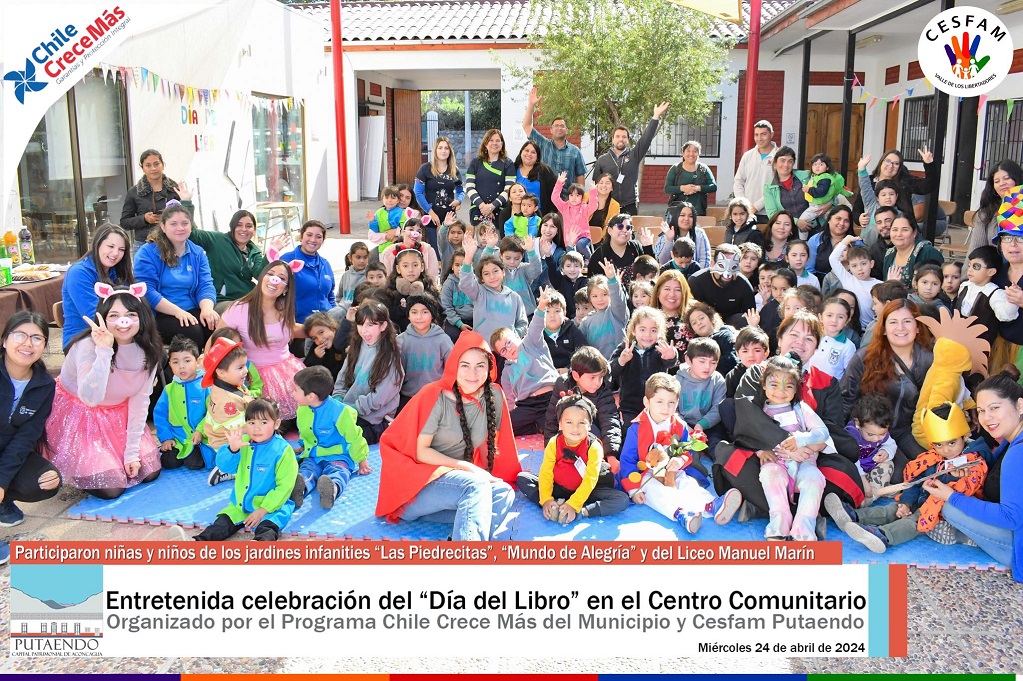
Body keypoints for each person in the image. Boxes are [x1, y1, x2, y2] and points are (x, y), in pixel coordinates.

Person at [718, 310, 867, 516]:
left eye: (809, 339)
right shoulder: (757, 373)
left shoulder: (826, 383)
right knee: (728, 454)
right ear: (779, 339)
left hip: (810, 457)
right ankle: (808, 512)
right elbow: (747, 411)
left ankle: (760, 506)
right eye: (794, 335)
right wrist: (786, 443)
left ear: (817, 347)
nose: (800, 343)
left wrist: (806, 444)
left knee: (843, 468)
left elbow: (831, 426)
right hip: (766, 451)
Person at [375, 332, 521, 540]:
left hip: (456, 490)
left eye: (480, 365)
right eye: (465, 365)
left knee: (503, 493)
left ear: (489, 368)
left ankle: (458, 541)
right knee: (476, 486)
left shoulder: (493, 394)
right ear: (454, 365)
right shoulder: (435, 395)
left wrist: (493, 477)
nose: (473, 373)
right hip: (417, 486)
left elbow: (494, 446)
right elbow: (421, 452)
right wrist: (466, 467)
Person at [45, 285, 163, 499]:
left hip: (119, 417)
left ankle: (117, 457)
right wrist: (104, 350)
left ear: (142, 317)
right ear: (103, 318)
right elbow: (91, 399)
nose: (122, 322)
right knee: (110, 488)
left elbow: (140, 401)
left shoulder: (149, 350)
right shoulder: (87, 346)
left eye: (130, 315)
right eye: (114, 315)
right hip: (82, 418)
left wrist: (131, 454)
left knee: (150, 471)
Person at [830, 401, 989, 554]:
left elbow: (961, 492)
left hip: (940, 511)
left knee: (913, 521)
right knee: (894, 508)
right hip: (921, 498)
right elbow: (915, 482)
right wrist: (906, 502)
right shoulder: (934, 456)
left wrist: (949, 478)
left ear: (965, 435)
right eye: (939, 444)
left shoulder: (973, 463)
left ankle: (883, 535)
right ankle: (856, 516)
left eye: (951, 443)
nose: (946, 450)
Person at [926, 372, 1023, 581]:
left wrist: (952, 496)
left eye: (995, 408)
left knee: (949, 506)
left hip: (1017, 547)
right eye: (981, 411)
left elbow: (1010, 518)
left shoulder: (1018, 452)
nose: (987, 417)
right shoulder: (1010, 440)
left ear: (1020, 406)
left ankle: (966, 535)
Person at [617, 373, 741, 533]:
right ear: (647, 402)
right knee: (655, 491)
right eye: (659, 402)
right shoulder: (636, 428)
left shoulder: (679, 425)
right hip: (645, 472)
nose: (665, 408)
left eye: (671, 403)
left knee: (686, 482)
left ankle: (712, 505)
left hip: (671, 470)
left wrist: (680, 461)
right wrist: (633, 490)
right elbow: (627, 460)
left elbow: (687, 448)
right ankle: (681, 513)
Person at [171, 399, 298, 542]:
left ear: (276, 424)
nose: (256, 429)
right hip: (241, 504)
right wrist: (232, 449)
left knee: (267, 528)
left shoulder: (283, 451)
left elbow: (284, 487)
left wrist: (263, 510)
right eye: (251, 423)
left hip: (272, 507)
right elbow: (225, 466)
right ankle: (195, 542)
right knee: (221, 523)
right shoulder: (242, 442)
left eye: (263, 423)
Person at [0, 312, 62, 565]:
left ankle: (4, 501)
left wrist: (2, 482)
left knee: (46, 481)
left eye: (37, 338)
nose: (28, 344)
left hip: (8, 449)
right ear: (4, 340)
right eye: (20, 336)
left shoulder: (44, 384)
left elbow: (26, 438)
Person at [842, 299, 933, 468]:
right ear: (883, 328)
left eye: (907, 321)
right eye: (893, 322)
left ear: (918, 327)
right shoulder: (865, 358)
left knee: (929, 466)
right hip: (869, 434)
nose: (900, 328)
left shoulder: (930, 360)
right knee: (898, 473)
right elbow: (845, 400)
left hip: (908, 431)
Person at [218, 261, 307, 420]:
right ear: (262, 277)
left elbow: (291, 329)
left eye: (281, 278)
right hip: (253, 376)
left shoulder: (284, 309)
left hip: (288, 373)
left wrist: (319, 330)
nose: (274, 280)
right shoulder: (239, 308)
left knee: (305, 417)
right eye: (270, 274)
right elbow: (217, 341)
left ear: (286, 288)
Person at [518, 394, 629, 523]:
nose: (575, 428)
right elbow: (546, 472)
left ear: (589, 425)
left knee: (622, 500)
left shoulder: (594, 447)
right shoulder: (554, 442)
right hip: (559, 487)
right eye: (569, 422)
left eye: (581, 423)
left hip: (588, 491)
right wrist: (546, 499)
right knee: (522, 478)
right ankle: (551, 505)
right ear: (560, 424)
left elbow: (590, 480)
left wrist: (574, 505)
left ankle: (582, 511)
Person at [756, 354, 830, 541]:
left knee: (815, 479)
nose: (780, 391)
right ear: (764, 384)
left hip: (804, 463)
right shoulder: (759, 412)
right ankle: (779, 523)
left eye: (788, 386)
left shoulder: (801, 409)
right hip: (777, 463)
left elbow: (822, 432)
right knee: (770, 475)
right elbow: (750, 437)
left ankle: (803, 528)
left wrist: (802, 439)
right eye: (774, 385)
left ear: (796, 388)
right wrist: (761, 452)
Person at [134, 202, 218, 347]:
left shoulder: (197, 253)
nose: (180, 228)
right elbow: (147, 291)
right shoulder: (148, 253)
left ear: (191, 226)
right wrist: (178, 312)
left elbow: (205, 285)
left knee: (216, 327)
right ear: (163, 227)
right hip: (160, 314)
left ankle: (211, 368)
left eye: (185, 223)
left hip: (191, 308)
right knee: (192, 332)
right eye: (173, 224)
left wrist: (207, 309)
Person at [292, 366, 370, 510]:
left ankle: (331, 489)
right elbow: (304, 431)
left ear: (311, 396)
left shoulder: (340, 412)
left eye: (295, 390)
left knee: (338, 471)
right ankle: (300, 488)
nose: (292, 394)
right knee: (307, 469)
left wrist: (361, 459)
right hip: (314, 455)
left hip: (339, 456)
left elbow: (354, 437)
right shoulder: (303, 410)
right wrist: (303, 446)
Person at [490, 292, 561, 435]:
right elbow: (509, 397)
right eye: (503, 350)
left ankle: (542, 425)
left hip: (549, 397)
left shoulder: (531, 343)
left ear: (517, 336)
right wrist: (512, 413)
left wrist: (541, 307)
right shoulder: (506, 371)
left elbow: (536, 326)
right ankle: (535, 426)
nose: (508, 349)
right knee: (504, 427)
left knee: (554, 428)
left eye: (509, 343)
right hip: (527, 405)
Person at [333, 301, 402, 443]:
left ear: (383, 326)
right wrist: (338, 401)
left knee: (334, 437)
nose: (364, 331)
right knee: (316, 422)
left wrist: (350, 409)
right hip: (350, 411)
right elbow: (342, 378)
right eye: (360, 324)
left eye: (370, 325)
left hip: (375, 421)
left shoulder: (389, 356)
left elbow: (378, 399)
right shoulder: (358, 344)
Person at [61, 223, 135, 351]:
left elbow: (133, 305)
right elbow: (94, 316)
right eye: (110, 246)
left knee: (156, 354)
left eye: (121, 249)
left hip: (118, 332)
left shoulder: (117, 271)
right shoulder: (79, 273)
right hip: (82, 339)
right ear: (97, 244)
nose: (115, 253)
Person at [544, 347, 622, 465]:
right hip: (568, 435)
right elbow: (552, 418)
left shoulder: (602, 389)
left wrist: (611, 454)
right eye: (592, 377)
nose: (598, 382)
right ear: (576, 375)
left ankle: (596, 460)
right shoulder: (562, 385)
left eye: (601, 377)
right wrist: (550, 451)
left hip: (593, 435)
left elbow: (609, 420)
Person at [591, 101, 671, 215]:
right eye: (617, 136)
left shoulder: (634, 155)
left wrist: (655, 117)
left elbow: (646, 139)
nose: (621, 139)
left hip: (629, 206)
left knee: (627, 233)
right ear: (612, 139)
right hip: (607, 205)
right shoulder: (602, 160)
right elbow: (594, 185)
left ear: (627, 140)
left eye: (624, 137)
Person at [202, 338, 256, 486]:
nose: (246, 370)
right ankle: (229, 469)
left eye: (245, 365)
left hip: (225, 438)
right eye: (240, 368)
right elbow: (241, 428)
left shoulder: (228, 385)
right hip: (227, 445)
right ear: (221, 372)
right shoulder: (227, 402)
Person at [188, 209, 271, 308]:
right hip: (221, 300)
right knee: (245, 313)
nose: (244, 229)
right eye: (239, 225)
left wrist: (269, 255)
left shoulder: (255, 251)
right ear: (232, 227)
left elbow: (259, 275)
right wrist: (187, 203)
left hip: (248, 298)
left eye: (249, 226)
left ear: (254, 230)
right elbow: (192, 234)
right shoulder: (218, 240)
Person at [611, 306, 678, 426]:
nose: (647, 335)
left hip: (657, 405)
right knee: (631, 433)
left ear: (659, 332)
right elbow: (611, 371)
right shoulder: (625, 348)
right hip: (630, 406)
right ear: (633, 330)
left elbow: (669, 363)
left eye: (653, 330)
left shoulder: (660, 349)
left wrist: (671, 356)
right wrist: (622, 360)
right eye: (642, 329)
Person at [155, 336, 213, 471]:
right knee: (168, 462)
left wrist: (200, 431)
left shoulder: (206, 386)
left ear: (198, 362)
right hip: (178, 438)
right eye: (175, 362)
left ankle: (198, 453)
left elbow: (212, 413)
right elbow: (160, 415)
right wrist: (166, 438)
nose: (181, 366)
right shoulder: (169, 389)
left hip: (202, 438)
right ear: (170, 365)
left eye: (187, 360)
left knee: (194, 463)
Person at [120, 149, 193, 254]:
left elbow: (188, 220)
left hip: (172, 243)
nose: (153, 168)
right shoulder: (134, 192)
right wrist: (144, 219)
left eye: (156, 164)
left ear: (163, 165)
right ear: (142, 168)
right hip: (143, 244)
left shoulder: (175, 190)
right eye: (148, 165)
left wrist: (186, 201)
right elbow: (124, 222)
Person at [459, 236, 527, 346]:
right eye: (486, 273)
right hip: (483, 347)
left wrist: (514, 334)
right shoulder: (479, 293)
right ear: (481, 278)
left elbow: (522, 323)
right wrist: (468, 257)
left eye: (495, 271)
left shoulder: (514, 297)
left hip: (507, 349)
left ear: (503, 272)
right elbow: (466, 283)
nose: (492, 276)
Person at [522, 87, 588, 200]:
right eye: (556, 126)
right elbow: (526, 126)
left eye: (562, 126)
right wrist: (531, 105)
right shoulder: (543, 144)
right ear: (551, 130)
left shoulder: (575, 151)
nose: (559, 128)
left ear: (567, 130)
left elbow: (580, 176)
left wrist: (579, 199)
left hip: (567, 200)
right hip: (545, 198)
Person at [851, 147, 938, 227]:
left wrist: (929, 164)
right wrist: (859, 218)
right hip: (874, 231)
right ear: (881, 162)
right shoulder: (868, 181)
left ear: (900, 167)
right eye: (888, 161)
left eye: (896, 164)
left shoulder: (904, 181)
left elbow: (928, 186)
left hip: (902, 230)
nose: (891, 166)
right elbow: (857, 208)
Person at [955, 245, 1019, 351]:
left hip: (981, 345)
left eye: (976, 267)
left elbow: (1006, 315)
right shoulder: (964, 285)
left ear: (991, 272)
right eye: (969, 265)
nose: (970, 270)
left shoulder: (994, 293)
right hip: (959, 340)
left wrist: (1012, 300)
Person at [397, 294, 453, 412]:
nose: (419, 317)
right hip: (407, 397)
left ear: (432, 314)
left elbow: (452, 369)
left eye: (424, 312)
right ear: (408, 315)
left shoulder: (443, 339)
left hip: (436, 397)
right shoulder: (400, 340)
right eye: (414, 312)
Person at [844, 393, 897, 505]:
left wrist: (886, 451)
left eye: (882, 434)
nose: (876, 439)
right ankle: (876, 493)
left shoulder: (881, 434)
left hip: (872, 468)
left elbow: (891, 444)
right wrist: (863, 480)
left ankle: (870, 497)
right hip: (855, 469)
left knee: (889, 464)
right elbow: (851, 460)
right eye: (871, 434)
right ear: (858, 423)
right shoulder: (851, 434)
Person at [963, 160, 1023, 260]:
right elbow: (976, 249)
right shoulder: (986, 214)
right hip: (995, 271)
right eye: (997, 181)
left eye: (1006, 178)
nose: (1002, 183)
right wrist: (967, 275)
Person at [414, 137, 464, 255]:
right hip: (431, 219)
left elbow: (461, 190)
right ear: (435, 150)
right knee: (434, 251)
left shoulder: (454, 170)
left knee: (450, 252)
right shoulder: (425, 169)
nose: (443, 151)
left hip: (449, 218)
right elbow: (418, 193)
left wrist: (459, 200)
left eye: (446, 148)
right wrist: (430, 212)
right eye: (440, 148)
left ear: (450, 151)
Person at [686, 245, 756, 327]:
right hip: (704, 325)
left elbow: (751, 316)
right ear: (712, 264)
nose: (727, 274)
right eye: (722, 266)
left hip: (732, 327)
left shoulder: (743, 284)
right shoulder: (696, 281)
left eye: (732, 266)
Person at [281, 220, 336, 326]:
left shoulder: (325, 264)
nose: (313, 240)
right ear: (301, 237)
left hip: (325, 326)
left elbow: (330, 295)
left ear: (323, 240)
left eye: (318, 237)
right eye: (309, 235)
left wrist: (334, 317)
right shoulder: (287, 260)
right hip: (298, 326)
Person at [589, 213, 656, 291]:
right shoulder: (600, 254)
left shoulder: (636, 247)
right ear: (610, 231)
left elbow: (653, 272)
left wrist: (648, 247)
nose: (624, 230)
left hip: (638, 295)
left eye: (628, 227)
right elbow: (592, 283)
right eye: (620, 226)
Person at [385, 247, 443, 334]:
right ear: (398, 269)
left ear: (422, 266)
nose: (411, 270)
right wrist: (402, 309)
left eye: (415, 265)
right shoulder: (390, 293)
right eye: (405, 266)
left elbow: (440, 315)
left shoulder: (430, 291)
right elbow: (387, 317)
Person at [465, 129, 516, 227]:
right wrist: (483, 206)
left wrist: (492, 206)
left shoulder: (508, 164)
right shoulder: (476, 163)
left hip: (500, 212)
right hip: (478, 210)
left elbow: (509, 190)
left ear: (502, 144)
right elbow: (469, 187)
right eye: (491, 140)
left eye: (498, 140)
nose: (494, 143)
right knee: (480, 241)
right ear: (485, 143)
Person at [579, 262, 630, 360]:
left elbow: (618, 300)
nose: (600, 299)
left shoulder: (616, 312)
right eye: (595, 296)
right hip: (597, 367)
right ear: (589, 298)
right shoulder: (586, 322)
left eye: (604, 294)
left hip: (620, 362)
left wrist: (612, 280)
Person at [733, 120, 778, 222]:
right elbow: (738, 181)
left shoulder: (779, 157)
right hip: (746, 212)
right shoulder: (748, 156)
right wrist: (743, 203)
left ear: (771, 134)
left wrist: (757, 206)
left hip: (770, 212)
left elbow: (777, 186)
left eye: (763, 134)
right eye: (756, 135)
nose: (759, 138)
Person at [883, 215, 944, 289]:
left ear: (914, 233)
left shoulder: (927, 252)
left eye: (905, 230)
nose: (899, 234)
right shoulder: (889, 254)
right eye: (895, 230)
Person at [762, 146, 810, 235]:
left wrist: (828, 204)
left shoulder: (806, 176)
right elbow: (773, 214)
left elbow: (828, 182)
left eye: (790, 161)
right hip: (787, 232)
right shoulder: (769, 187)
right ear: (775, 163)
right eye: (782, 160)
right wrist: (797, 222)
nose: (786, 165)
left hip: (813, 226)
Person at [663, 141, 717, 216]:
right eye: (688, 151)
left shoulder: (703, 169)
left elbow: (713, 186)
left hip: (698, 211)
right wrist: (682, 188)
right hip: (677, 212)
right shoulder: (675, 169)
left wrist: (697, 188)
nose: (691, 154)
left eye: (695, 151)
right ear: (683, 153)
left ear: (698, 154)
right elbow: (667, 189)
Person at [810, 296, 857, 380]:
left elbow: (848, 375)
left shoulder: (848, 346)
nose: (834, 320)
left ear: (847, 321)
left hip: (831, 391)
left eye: (840, 317)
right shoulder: (810, 338)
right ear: (820, 317)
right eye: (829, 315)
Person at [656, 203, 711, 271]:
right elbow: (661, 262)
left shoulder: (700, 234)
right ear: (676, 217)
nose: (686, 219)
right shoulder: (665, 234)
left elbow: (705, 260)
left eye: (690, 216)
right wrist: (669, 240)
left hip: (694, 277)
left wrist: (697, 278)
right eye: (682, 215)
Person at [801, 153, 852, 226]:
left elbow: (822, 192)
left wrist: (809, 189)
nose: (817, 167)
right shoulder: (812, 177)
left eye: (821, 164)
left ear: (827, 167)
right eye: (815, 164)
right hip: (816, 208)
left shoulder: (826, 179)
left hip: (827, 206)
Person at [512, 141, 557, 216]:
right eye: (526, 150)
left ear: (537, 157)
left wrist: (550, 215)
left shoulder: (545, 171)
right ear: (521, 152)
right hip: (516, 215)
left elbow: (555, 194)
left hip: (539, 215)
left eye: (533, 152)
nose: (529, 154)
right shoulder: (512, 169)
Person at [807, 205, 854, 277]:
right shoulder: (815, 240)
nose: (841, 223)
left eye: (846, 221)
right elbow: (809, 270)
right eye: (838, 219)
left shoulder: (856, 243)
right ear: (829, 219)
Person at [587, 174, 622, 241]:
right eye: (601, 182)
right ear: (596, 185)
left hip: (601, 240)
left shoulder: (615, 205)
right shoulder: (585, 198)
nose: (604, 185)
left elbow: (611, 225)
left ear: (612, 188)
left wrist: (599, 239)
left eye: (607, 183)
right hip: (581, 237)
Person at [337, 242, 370, 311]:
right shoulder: (345, 275)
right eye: (358, 257)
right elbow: (339, 297)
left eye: (365, 257)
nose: (362, 261)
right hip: (344, 311)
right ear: (350, 258)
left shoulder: (369, 276)